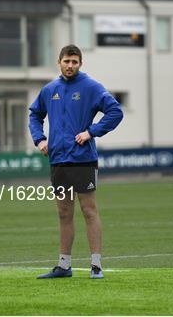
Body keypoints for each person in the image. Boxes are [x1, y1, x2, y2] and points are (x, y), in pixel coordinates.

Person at [29, 45, 123, 279]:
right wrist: (40, 139)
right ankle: (64, 266)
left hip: (83, 159)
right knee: (63, 212)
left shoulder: (91, 87)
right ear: (59, 62)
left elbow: (115, 112)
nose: (70, 66)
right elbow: (34, 114)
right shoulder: (50, 89)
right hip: (58, 160)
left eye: (74, 62)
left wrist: (91, 132)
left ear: (80, 64)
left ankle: (96, 265)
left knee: (89, 211)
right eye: (66, 61)